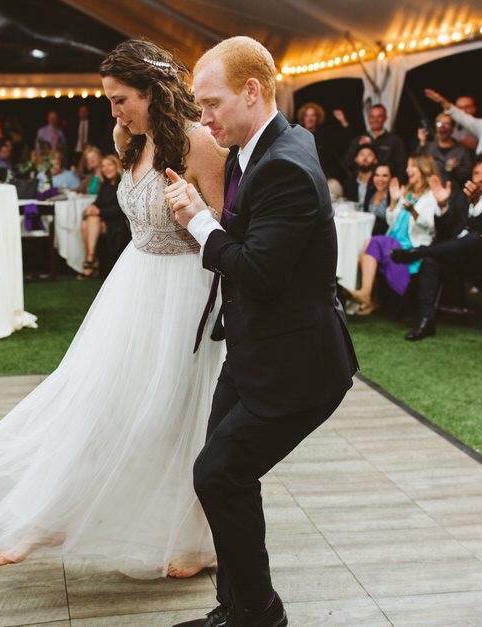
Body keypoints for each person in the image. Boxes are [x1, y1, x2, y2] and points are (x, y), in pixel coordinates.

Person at [0, 38, 227, 579]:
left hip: (187, 289)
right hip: (134, 285)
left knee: (172, 417)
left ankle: (195, 539)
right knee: (98, 400)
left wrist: (195, 209)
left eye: (120, 100)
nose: (114, 113)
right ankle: (52, 514)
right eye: (109, 100)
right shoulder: (129, 139)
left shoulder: (199, 143)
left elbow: (228, 226)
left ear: (151, 91)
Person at [165, 36, 358, 627]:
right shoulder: (256, 148)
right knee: (223, 475)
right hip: (253, 351)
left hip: (298, 366)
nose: (204, 118)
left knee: (218, 474)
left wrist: (198, 221)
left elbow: (258, 272)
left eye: (212, 103)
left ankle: (258, 612)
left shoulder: (285, 166)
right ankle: (237, 606)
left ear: (252, 91)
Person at [391, 155, 482, 340]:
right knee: (430, 261)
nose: (480, 177)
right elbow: (444, 229)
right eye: (476, 173)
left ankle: (419, 252)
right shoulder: (461, 195)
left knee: (476, 238)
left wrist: (477, 203)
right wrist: (442, 205)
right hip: (454, 255)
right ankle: (427, 321)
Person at [346, 155, 442, 315]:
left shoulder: (432, 196)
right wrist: (393, 201)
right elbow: (392, 221)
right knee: (366, 247)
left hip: (411, 245)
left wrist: (413, 211)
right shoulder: (408, 192)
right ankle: (371, 299)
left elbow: (432, 226)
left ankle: (366, 295)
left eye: (412, 166)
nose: (407, 170)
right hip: (394, 239)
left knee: (372, 243)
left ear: (423, 168)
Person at [78, 154, 128, 279]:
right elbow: (98, 203)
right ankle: (91, 257)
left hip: (118, 222)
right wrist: (91, 207)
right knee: (85, 223)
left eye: (109, 165)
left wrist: (99, 212)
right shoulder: (105, 185)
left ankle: (90, 260)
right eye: (103, 166)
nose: (106, 168)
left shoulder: (123, 183)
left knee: (93, 219)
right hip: (105, 221)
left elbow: (120, 209)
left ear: (116, 166)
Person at [345, 103, 407, 184]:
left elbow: (401, 168)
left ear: (385, 118)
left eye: (379, 117)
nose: (375, 120)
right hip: (361, 184)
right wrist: (359, 148)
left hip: (384, 185)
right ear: (368, 118)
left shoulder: (395, 141)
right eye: (372, 117)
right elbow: (348, 164)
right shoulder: (358, 140)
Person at [414, 112, 473, 187]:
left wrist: (454, 169)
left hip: (453, 190)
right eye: (439, 123)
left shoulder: (462, 150)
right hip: (429, 189)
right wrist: (422, 143)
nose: (442, 127)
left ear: (453, 128)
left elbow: (467, 175)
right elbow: (415, 165)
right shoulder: (427, 147)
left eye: (447, 124)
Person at [297, 101, 349, 180]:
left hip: (325, 176)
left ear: (317, 118)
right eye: (306, 116)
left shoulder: (326, 134)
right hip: (303, 176)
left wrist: (343, 121)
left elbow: (344, 143)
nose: (310, 119)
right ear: (303, 118)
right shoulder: (297, 135)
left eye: (313, 115)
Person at [362, 163, 392, 235]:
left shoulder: (393, 196)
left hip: (384, 236)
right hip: (366, 233)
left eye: (384, 176)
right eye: (377, 175)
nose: (380, 179)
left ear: (391, 177)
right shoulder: (370, 191)